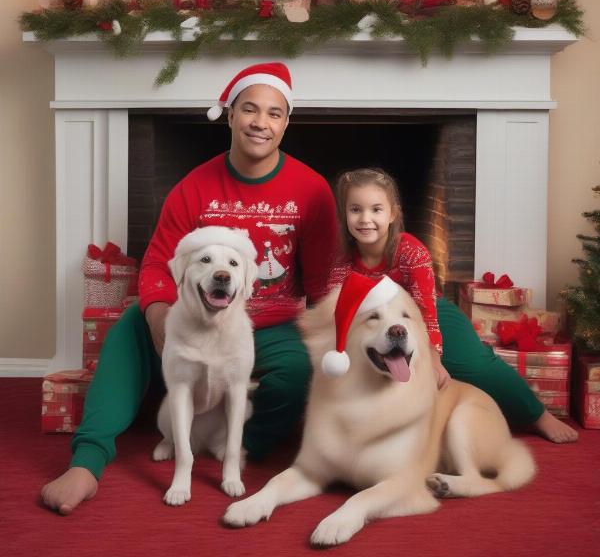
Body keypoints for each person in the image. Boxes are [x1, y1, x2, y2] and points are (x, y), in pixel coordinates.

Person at [41, 62, 339, 515]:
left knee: (298, 375)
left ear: (286, 123)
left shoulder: (311, 188)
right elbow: (159, 262)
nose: (261, 122)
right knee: (130, 323)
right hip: (193, 318)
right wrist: (158, 311)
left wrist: (336, 334)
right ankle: (88, 460)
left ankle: (235, 447)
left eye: (275, 113)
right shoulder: (194, 186)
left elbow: (321, 280)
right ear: (231, 113)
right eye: (250, 110)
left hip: (269, 324)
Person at [329, 167, 578, 444]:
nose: (366, 219)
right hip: (379, 323)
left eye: (376, 210)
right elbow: (339, 312)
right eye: (355, 210)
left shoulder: (411, 250)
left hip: (429, 313)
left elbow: (426, 310)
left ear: (392, 214)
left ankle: (537, 415)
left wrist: (435, 357)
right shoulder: (342, 263)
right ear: (345, 215)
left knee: (473, 367)